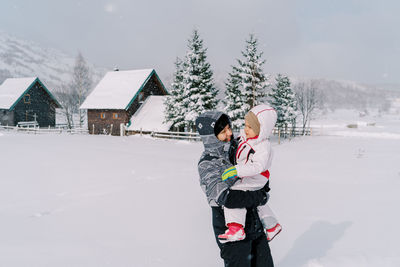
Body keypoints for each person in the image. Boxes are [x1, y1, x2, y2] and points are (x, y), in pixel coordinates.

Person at [196, 111, 274, 267]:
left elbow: (259, 175)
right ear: (210, 136)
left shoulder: (237, 148)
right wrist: (260, 197)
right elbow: (227, 198)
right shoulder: (207, 164)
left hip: (254, 224)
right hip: (231, 229)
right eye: (223, 131)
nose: (230, 133)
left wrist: (261, 186)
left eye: (229, 127)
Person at [218, 104, 282, 243]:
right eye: (245, 125)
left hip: (257, 176)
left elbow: (257, 166)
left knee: (235, 193)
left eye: (250, 127)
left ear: (262, 129)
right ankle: (272, 225)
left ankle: (236, 228)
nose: (246, 129)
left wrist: (237, 170)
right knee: (256, 201)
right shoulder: (246, 137)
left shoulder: (262, 146)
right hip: (249, 175)